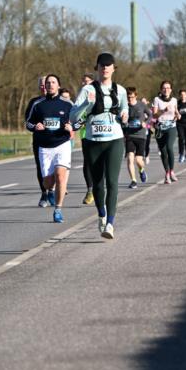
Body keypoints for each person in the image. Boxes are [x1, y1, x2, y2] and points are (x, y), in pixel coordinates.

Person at [69, 53, 128, 239]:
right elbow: (73, 116)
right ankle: (101, 215)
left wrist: (125, 114)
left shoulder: (120, 90)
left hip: (115, 139)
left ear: (113, 68)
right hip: (93, 141)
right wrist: (87, 103)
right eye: (102, 65)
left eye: (108, 65)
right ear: (97, 68)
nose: (105, 68)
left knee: (112, 182)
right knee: (98, 183)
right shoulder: (88, 90)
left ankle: (110, 223)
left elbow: (125, 107)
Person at [26, 74, 73, 223]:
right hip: (44, 147)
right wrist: (35, 127)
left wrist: (72, 126)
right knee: (47, 182)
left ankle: (58, 210)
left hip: (62, 144)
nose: (50, 85)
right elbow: (28, 123)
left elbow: (79, 120)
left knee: (60, 175)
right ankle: (50, 191)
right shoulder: (37, 104)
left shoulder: (68, 104)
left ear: (58, 85)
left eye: (53, 82)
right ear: (45, 86)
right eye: (48, 83)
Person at [24, 76, 48, 207]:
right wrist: (35, 126)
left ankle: (54, 190)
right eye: (41, 85)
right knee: (41, 168)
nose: (44, 87)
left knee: (56, 169)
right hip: (40, 141)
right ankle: (44, 193)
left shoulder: (61, 101)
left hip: (58, 142)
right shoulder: (34, 102)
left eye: (46, 84)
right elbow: (27, 123)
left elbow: (72, 118)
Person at [123, 87, 150, 188]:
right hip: (129, 136)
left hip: (141, 136)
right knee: (130, 159)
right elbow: (120, 118)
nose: (130, 99)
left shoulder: (141, 105)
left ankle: (141, 170)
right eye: (128, 97)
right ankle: (133, 180)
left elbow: (150, 114)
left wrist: (146, 123)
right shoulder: (125, 106)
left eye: (132, 97)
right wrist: (123, 121)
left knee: (138, 160)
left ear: (136, 96)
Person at [79, 73, 95, 205]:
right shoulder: (80, 98)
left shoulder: (99, 95)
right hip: (85, 135)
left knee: (100, 163)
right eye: (83, 82)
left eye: (87, 81)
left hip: (100, 134)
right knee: (88, 163)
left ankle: (101, 187)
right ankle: (90, 190)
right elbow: (75, 116)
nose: (85, 84)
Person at [176, 89, 186, 164]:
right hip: (179, 123)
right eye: (181, 95)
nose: (182, 96)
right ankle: (181, 154)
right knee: (181, 138)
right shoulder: (178, 103)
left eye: (184, 94)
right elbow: (175, 112)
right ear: (179, 96)